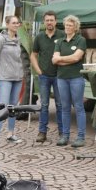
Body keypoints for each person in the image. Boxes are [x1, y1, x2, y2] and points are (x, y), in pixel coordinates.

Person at [52, 15, 88, 147]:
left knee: (78, 107)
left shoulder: (80, 40)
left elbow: (76, 58)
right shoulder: (60, 42)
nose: (67, 27)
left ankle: (81, 137)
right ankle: (65, 136)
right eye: (66, 25)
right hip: (61, 78)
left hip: (76, 78)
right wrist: (68, 60)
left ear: (75, 27)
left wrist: (61, 60)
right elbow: (54, 59)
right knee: (64, 108)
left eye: (70, 25)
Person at [31, 10, 66, 143]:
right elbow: (33, 54)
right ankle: (42, 132)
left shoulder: (62, 35)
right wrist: (38, 70)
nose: (49, 22)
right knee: (44, 105)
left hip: (59, 76)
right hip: (44, 76)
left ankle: (63, 132)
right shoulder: (39, 37)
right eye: (47, 20)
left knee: (60, 105)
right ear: (44, 22)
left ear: (56, 22)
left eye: (52, 20)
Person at [0, 15, 25, 142]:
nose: (16, 25)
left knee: (13, 107)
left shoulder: (18, 39)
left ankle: (10, 134)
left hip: (18, 77)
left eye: (17, 23)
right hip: (5, 77)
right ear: (8, 24)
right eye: (14, 23)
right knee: (2, 107)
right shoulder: (0, 40)